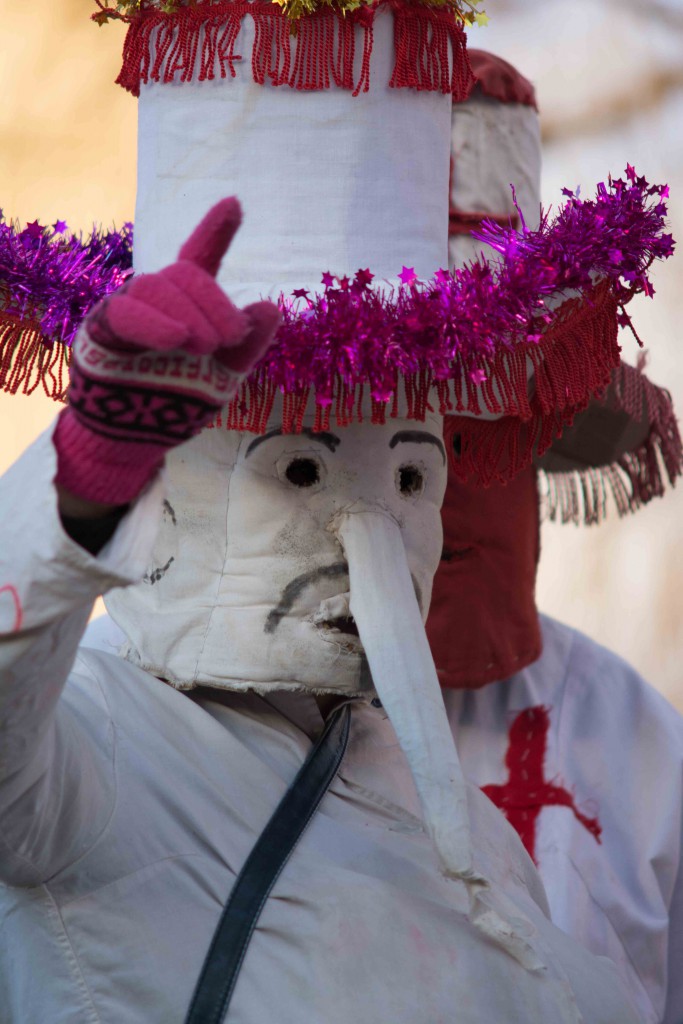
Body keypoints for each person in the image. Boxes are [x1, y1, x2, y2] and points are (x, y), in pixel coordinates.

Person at [0, 4, 673, 1021]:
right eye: (302, 472)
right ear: (177, 473)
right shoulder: (94, 746)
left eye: (410, 479)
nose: (366, 534)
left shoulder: (448, 804)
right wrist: (84, 474)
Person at [427, 49, 683, 1024]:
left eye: (489, 431)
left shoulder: (633, 741)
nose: (444, 484)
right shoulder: (141, 717)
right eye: (405, 435)